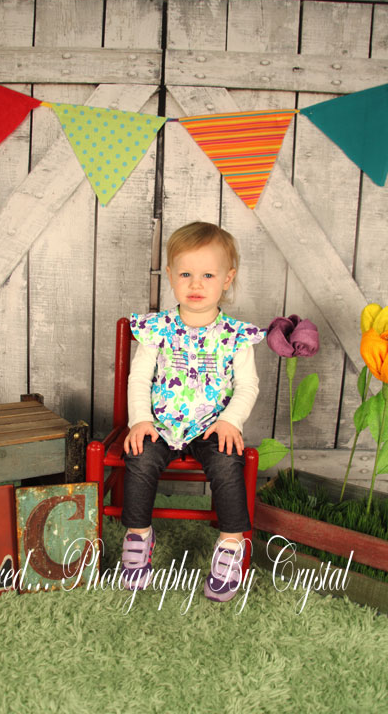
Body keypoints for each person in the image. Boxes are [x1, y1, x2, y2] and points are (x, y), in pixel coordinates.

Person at [121, 221, 265, 602]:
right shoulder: (157, 329)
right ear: (170, 276)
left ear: (227, 279)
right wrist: (140, 420)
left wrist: (230, 421)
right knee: (140, 457)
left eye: (208, 275)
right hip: (161, 423)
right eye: (185, 274)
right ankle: (138, 535)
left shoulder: (235, 336)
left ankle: (231, 543)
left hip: (212, 427)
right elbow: (139, 378)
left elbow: (247, 386)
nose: (196, 284)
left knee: (227, 463)